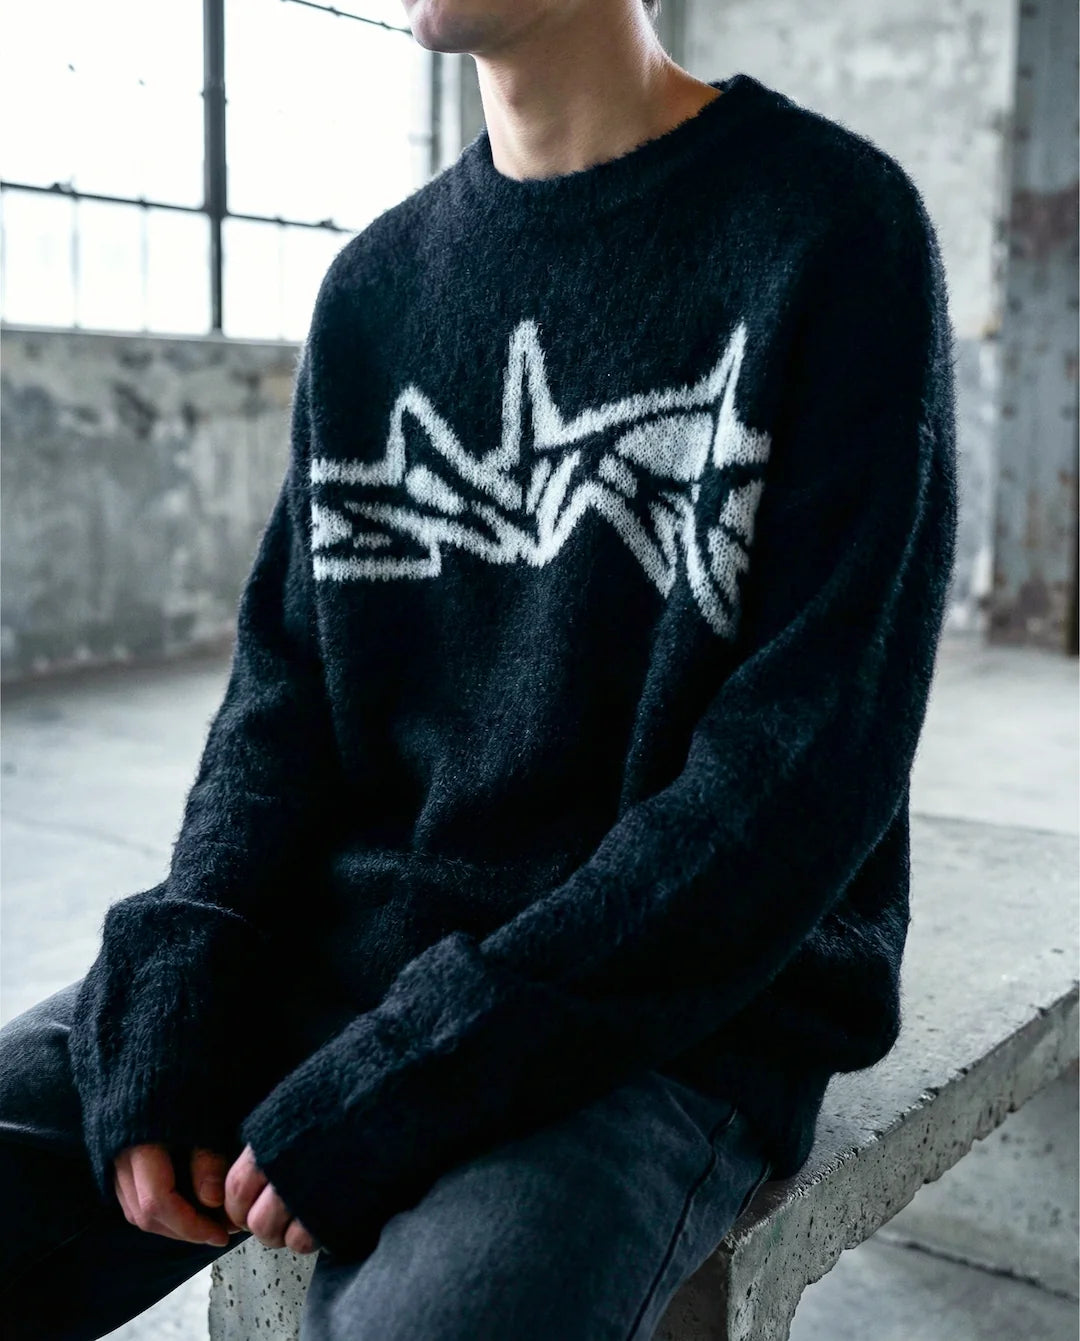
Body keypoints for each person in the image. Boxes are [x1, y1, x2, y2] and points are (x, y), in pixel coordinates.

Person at [0, 0, 959, 1336]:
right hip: (348, 947)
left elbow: (799, 768)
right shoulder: (378, 284)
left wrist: (426, 1064)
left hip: (662, 1008)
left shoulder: (831, 229)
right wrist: (183, 965)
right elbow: (280, 703)